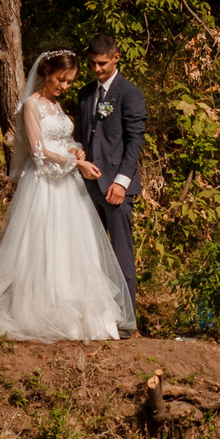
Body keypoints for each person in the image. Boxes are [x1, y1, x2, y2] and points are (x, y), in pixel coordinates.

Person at [0, 49, 134, 345]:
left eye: (70, 82)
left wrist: (74, 149)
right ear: (46, 73)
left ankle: (74, 312)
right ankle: (40, 309)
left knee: (70, 249)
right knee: (42, 245)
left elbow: (59, 140)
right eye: (61, 80)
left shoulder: (56, 106)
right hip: (45, 186)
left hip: (67, 187)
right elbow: (38, 151)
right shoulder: (31, 106)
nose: (65, 87)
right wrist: (77, 163)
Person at [69, 34, 146, 329]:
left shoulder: (130, 93)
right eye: (92, 64)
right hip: (87, 187)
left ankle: (126, 320)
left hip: (116, 188)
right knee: (91, 255)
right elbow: (83, 134)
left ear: (116, 58)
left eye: (101, 63)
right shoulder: (86, 94)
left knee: (121, 256)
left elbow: (134, 141)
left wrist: (122, 182)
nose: (96, 69)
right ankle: (98, 319)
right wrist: (77, 154)